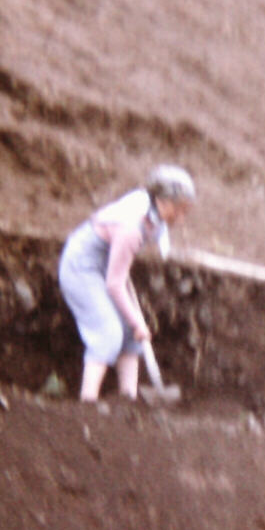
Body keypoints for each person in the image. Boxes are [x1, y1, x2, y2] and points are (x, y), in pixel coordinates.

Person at [60, 164, 195, 402]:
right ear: (163, 201)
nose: (182, 218)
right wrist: (138, 322)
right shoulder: (132, 227)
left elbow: (118, 270)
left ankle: (128, 398)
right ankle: (87, 401)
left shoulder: (152, 214)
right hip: (81, 268)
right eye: (179, 209)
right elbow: (114, 283)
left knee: (131, 334)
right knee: (108, 332)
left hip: (105, 266)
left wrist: (134, 325)